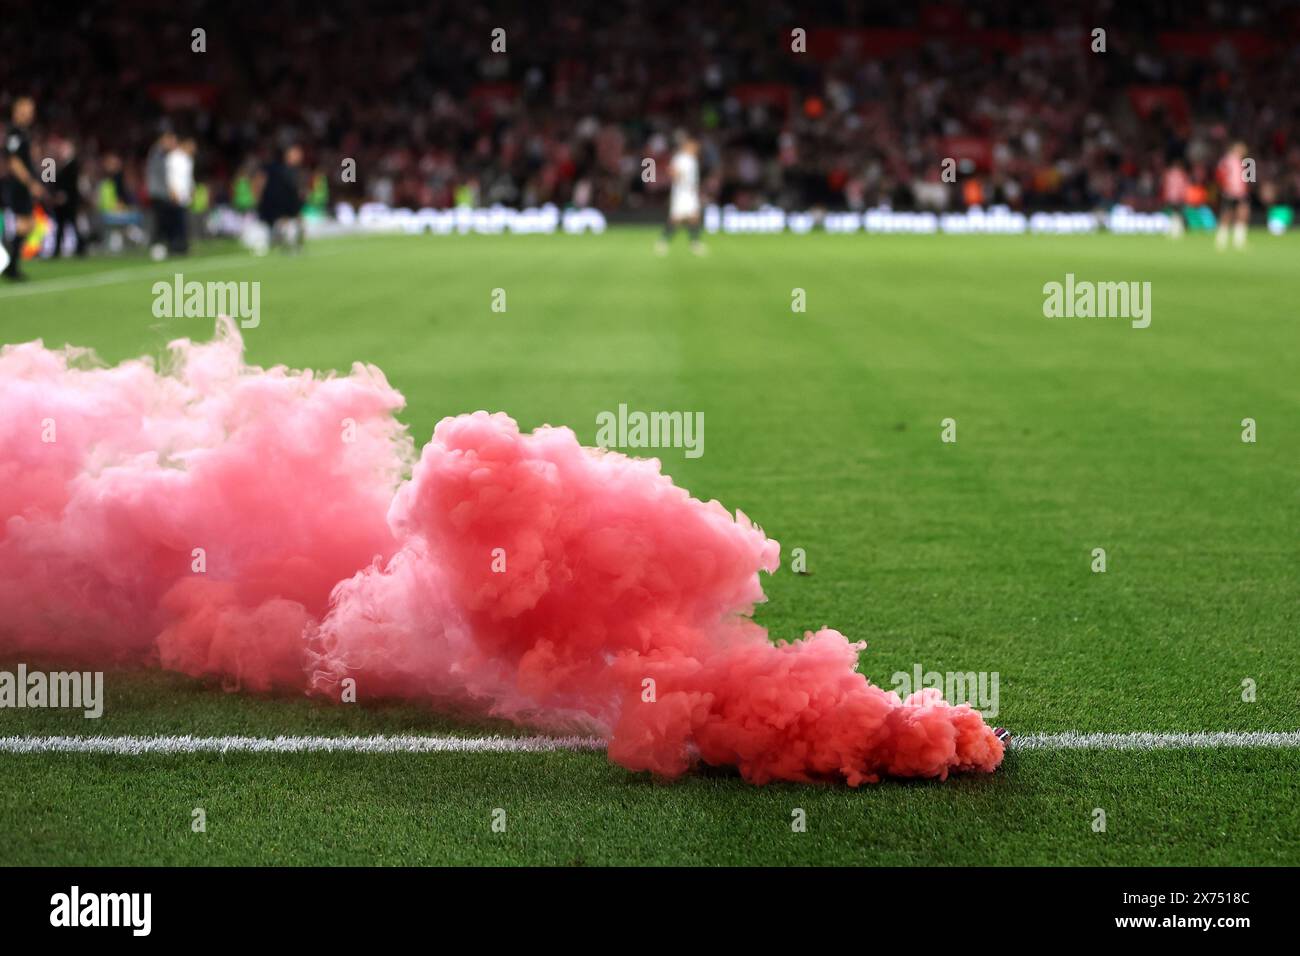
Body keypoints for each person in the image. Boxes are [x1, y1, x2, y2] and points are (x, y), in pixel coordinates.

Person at [2, 96, 48, 280]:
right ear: (16, 111)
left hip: (22, 185)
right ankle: (10, 266)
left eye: (31, 111)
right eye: (25, 110)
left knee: (28, 225)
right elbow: (13, 162)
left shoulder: (23, 132)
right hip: (18, 186)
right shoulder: (14, 132)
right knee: (25, 224)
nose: (29, 114)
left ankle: (11, 265)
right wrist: (31, 183)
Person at [656, 133, 705, 256]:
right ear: (687, 146)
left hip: (690, 193)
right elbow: (671, 171)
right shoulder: (680, 158)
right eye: (694, 146)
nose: (696, 149)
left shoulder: (693, 159)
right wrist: (680, 179)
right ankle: (663, 241)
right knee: (676, 219)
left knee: (694, 217)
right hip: (681, 194)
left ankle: (695, 243)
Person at [255, 144, 306, 252]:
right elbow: (260, 179)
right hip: (275, 203)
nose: (299, 157)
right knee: (281, 224)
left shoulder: (295, 170)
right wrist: (258, 195)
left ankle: (296, 245)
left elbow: (297, 187)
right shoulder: (274, 167)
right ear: (288, 155)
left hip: (291, 202)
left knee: (299, 223)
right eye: (296, 154)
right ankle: (281, 244)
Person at [146, 129, 177, 260]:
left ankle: (163, 246)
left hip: (161, 192)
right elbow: (162, 176)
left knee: (164, 221)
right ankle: (156, 246)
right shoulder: (158, 153)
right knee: (160, 221)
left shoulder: (161, 154)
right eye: (171, 141)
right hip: (159, 192)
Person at [1215, 141, 1249, 251]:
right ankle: (1221, 240)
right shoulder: (1226, 161)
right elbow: (1219, 175)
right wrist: (1225, 186)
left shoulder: (1245, 162)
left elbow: (1247, 179)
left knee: (1243, 214)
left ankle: (1239, 241)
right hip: (1229, 191)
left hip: (1241, 192)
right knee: (1226, 215)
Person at [165, 136, 196, 255]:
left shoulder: (188, 159)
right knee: (175, 221)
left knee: (183, 221)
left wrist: (192, 190)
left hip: (185, 195)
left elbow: (189, 177)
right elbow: (169, 176)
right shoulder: (173, 157)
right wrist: (172, 191)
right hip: (175, 194)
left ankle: (183, 246)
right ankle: (174, 246)